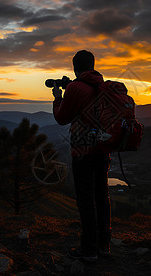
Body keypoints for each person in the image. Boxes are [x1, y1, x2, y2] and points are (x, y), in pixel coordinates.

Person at [52, 50, 111, 262]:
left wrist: (59, 98)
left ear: (75, 67)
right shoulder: (103, 86)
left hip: (83, 150)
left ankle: (88, 250)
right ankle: (104, 246)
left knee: (86, 198)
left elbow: (62, 118)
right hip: (104, 147)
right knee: (101, 196)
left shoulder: (76, 87)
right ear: (93, 66)